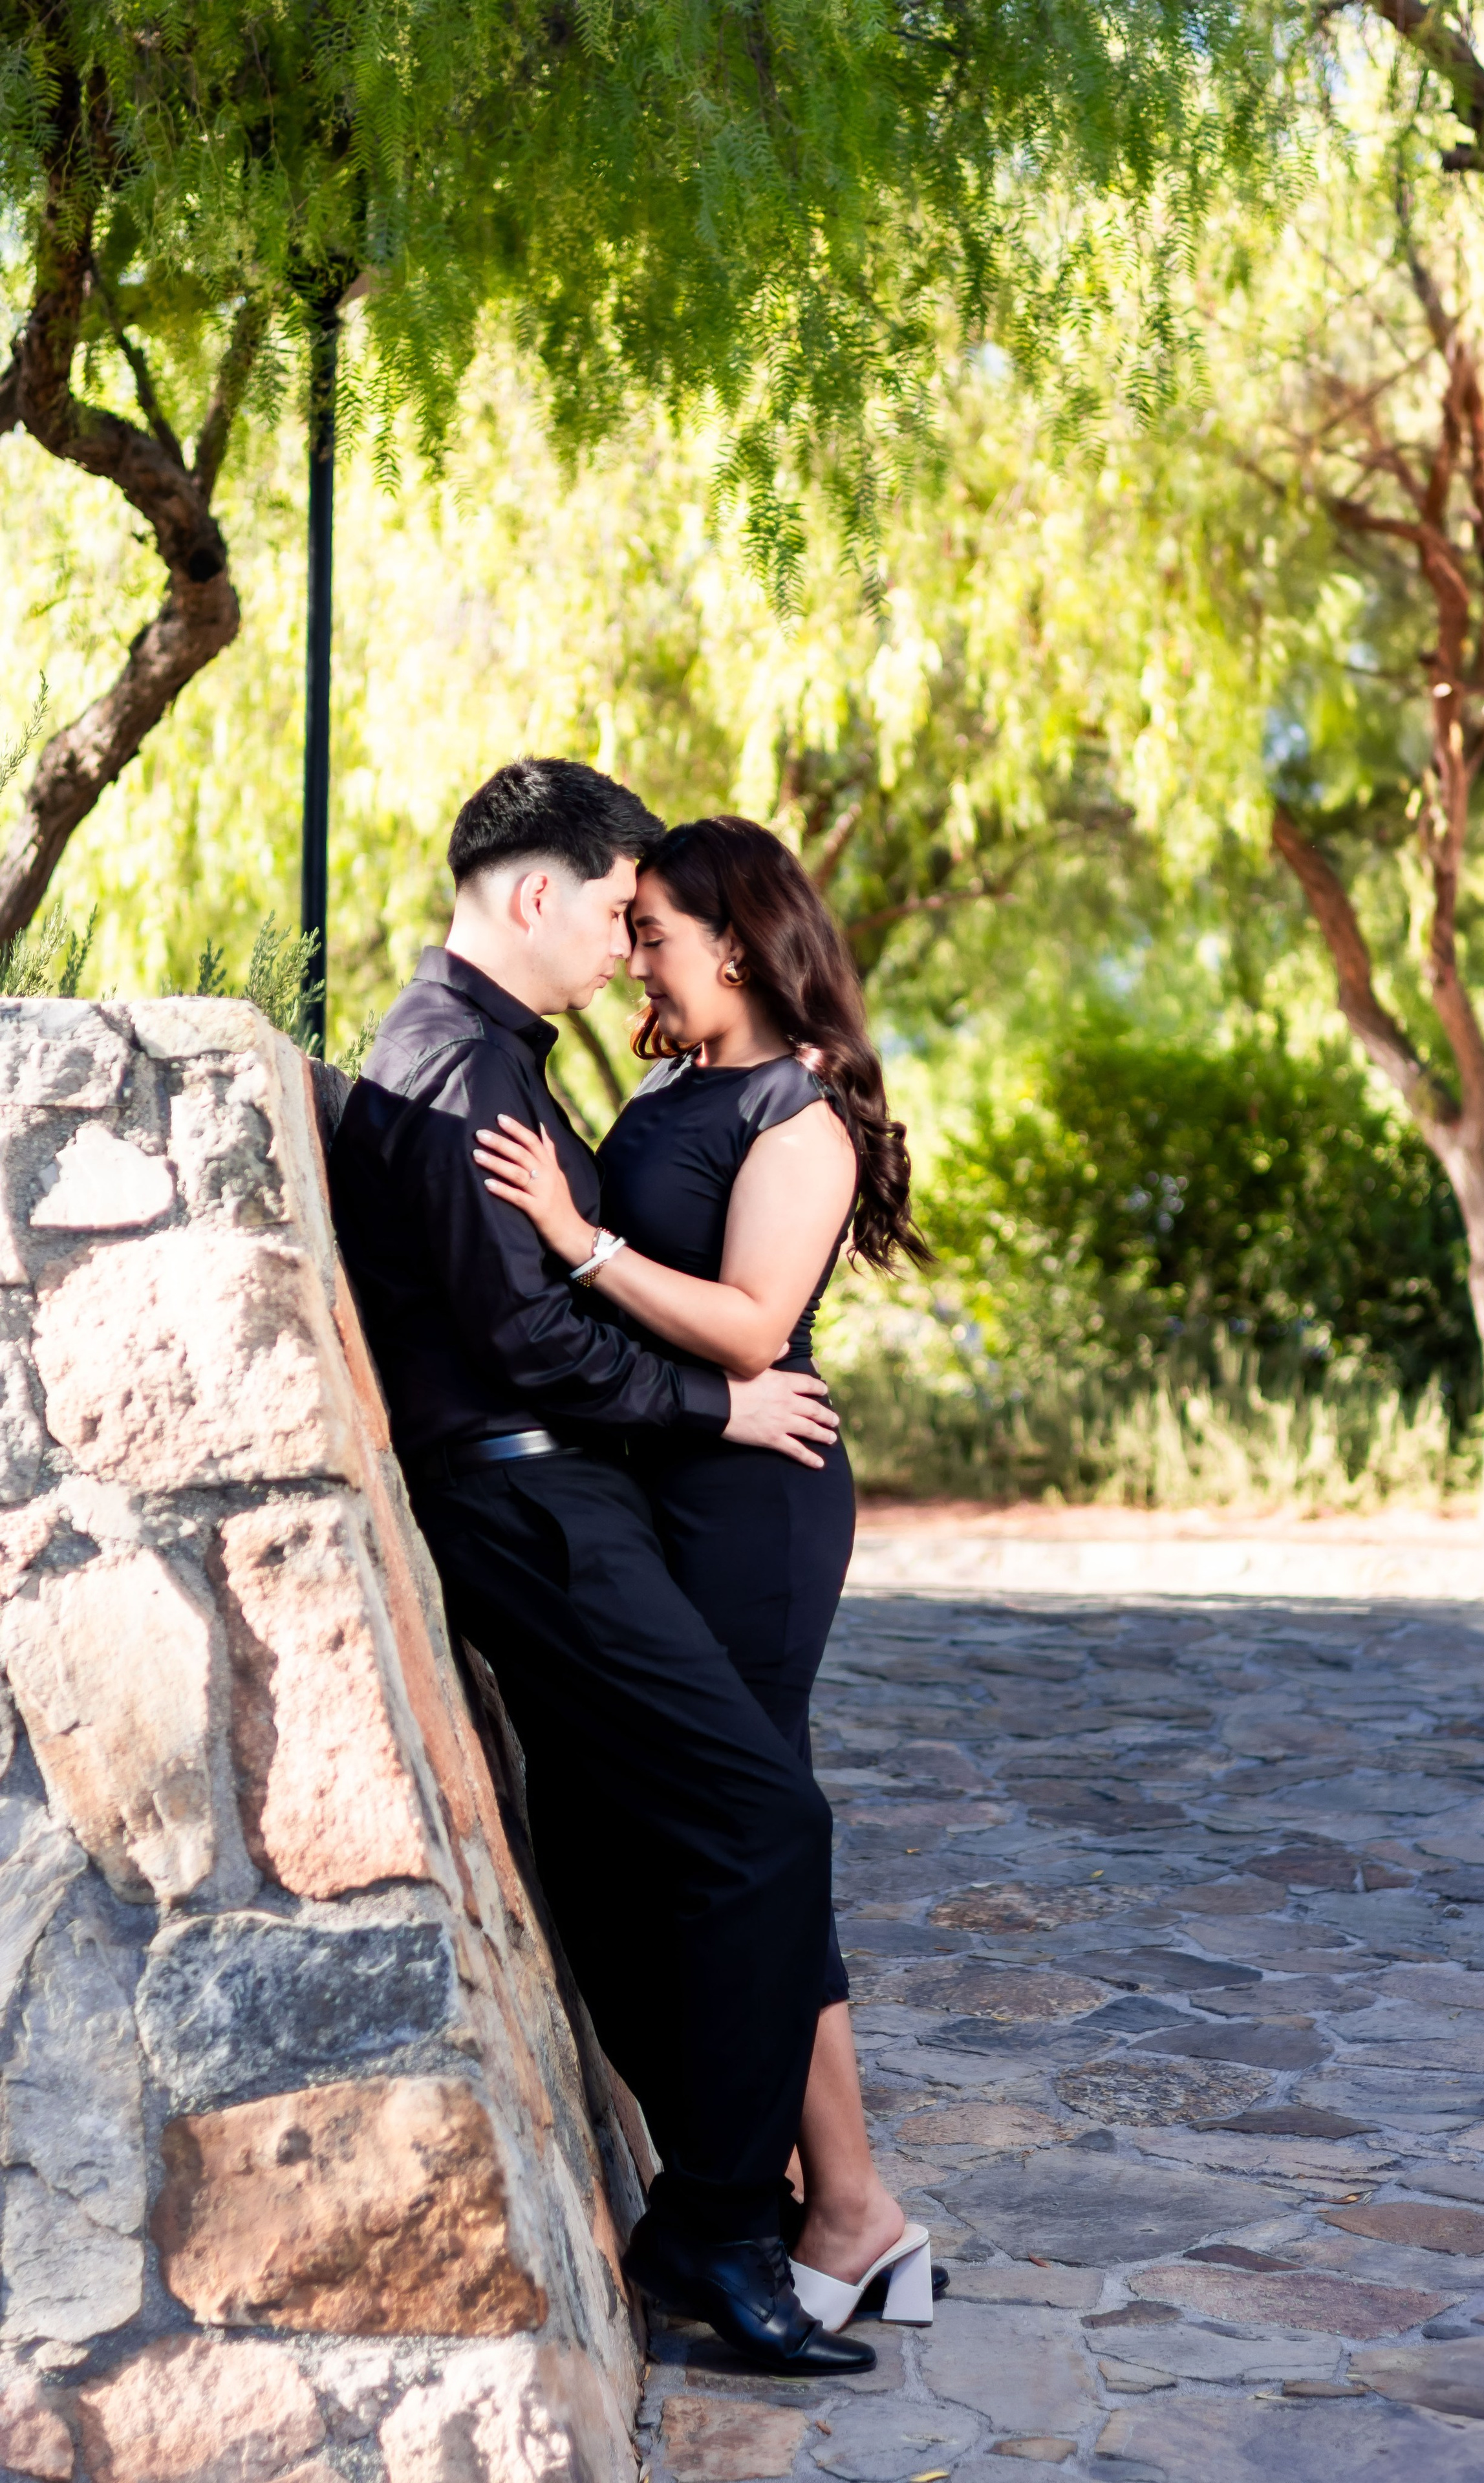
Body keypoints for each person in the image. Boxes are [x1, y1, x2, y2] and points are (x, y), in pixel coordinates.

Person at [328, 758, 878, 2376]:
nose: (623, 950)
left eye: (653, 923)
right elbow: (529, 1341)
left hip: (586, 1500)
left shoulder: (506, 1062)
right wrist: (714, 1397)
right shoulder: (456, 1070)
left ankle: (745, 2207)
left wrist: (684, 1365)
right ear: (531, 895)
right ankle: (725, 2215)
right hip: (531, 1504)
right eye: (612, 915)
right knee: (759, 1820)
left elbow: (572, 1305)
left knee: (699, 1831)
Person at [471, 815, 935, 2333]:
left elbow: (748, 1323)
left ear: (735, 943)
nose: (632, 952)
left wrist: (571, 1239)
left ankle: (851, 2208)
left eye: (655, 928)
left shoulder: (796, 1114)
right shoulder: (682, 1082)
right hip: (668, 1483)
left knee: (748, 1826)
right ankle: (836, 2205)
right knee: (719, 1836)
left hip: (753, 1498)